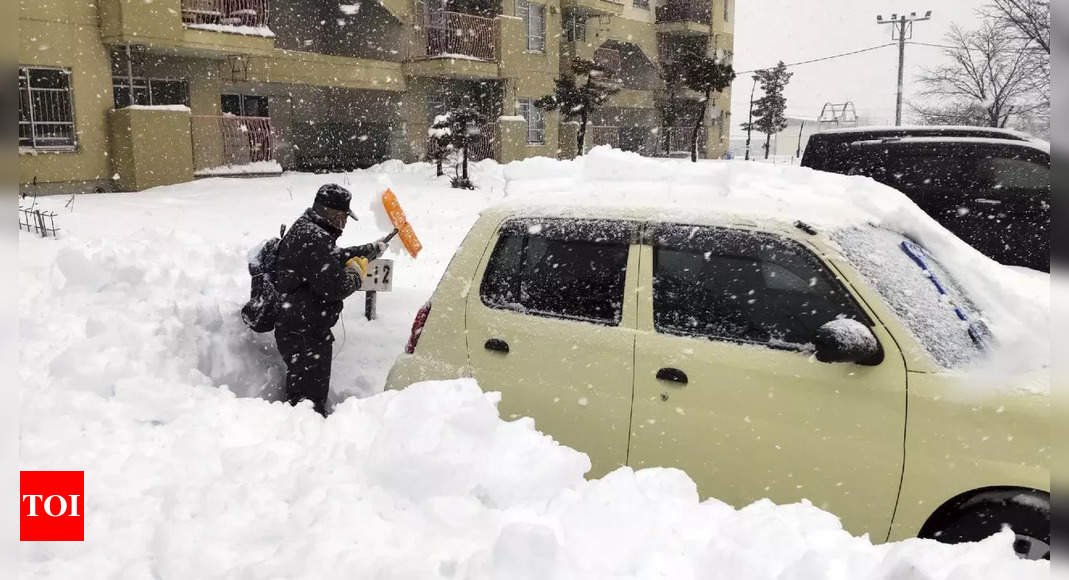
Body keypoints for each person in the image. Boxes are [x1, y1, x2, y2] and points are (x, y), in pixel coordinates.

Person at [273, 184, 389, 416]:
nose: (345, 224)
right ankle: (307, 436)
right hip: (304, 334)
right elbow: (335, 287)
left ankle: (303, 427)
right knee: (308, 401)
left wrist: (370, 249)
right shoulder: (314, 239)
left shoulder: (310, 231)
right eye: (344, 217)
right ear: (333, 214)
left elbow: (334, 258)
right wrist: (357, 274)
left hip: (300, 327)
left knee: (303, 393)